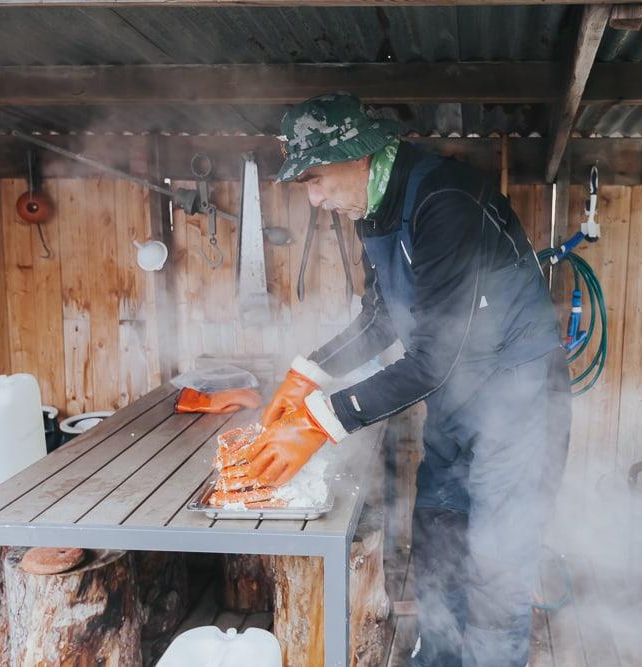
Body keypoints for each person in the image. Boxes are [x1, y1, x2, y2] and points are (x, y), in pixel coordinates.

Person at [244, 92, 572, 666]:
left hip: (518, 402)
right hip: (457, 402)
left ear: (358, 154)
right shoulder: (375, 209)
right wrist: (308, 374)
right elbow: (379, 318)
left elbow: (434, 357)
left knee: (496, 570)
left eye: (316, 179)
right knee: (438, 539)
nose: (316, 199)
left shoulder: (444, 200)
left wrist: (323, 422)